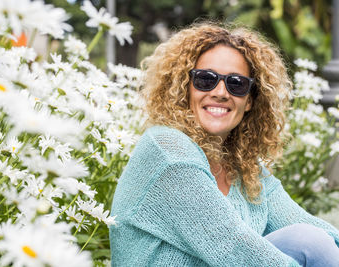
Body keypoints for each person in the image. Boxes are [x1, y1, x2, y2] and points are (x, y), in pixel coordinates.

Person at [109, 21, 339, 266]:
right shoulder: (167, 151)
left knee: (308, 239)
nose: (220, 92)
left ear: (250, 101)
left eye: (236, 84)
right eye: (205, 80)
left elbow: (306, 225)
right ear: (185, 89)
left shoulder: (246, 170)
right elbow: (238, 252)